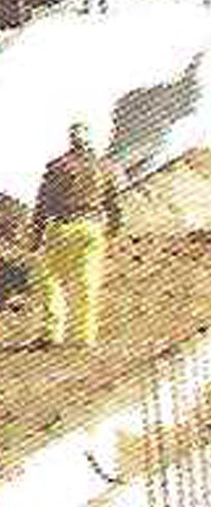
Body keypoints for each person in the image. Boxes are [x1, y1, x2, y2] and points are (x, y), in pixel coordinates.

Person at [29, 122, 123, 348]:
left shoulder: (58, 167)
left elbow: (43, 203)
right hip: (92, 228)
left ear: (72, 141)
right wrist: (114, 228)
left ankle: (51, 332)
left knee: (49, 278)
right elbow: (113, 202)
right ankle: (84, 337)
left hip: (63, 227)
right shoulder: (106, 167)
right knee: (87, 281)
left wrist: (36, 235)